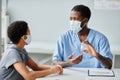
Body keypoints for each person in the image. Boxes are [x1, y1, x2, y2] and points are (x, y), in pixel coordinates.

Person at [52, 5, 113, 69]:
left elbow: (109, 65)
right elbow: (55, 62)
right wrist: (69, 63)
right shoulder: (64, 38)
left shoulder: (100, 39)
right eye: (71, 19)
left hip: (93, 76)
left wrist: (97, 55)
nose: (72, 22)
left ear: (85, 21)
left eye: (75, 19)